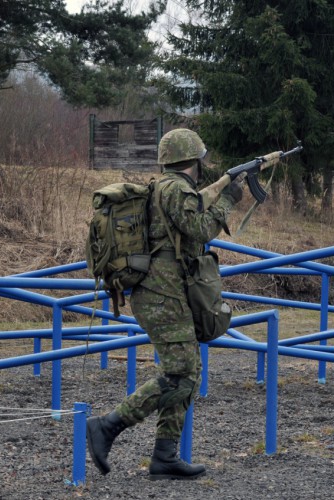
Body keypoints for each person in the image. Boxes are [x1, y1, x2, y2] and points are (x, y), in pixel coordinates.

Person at [86, 128, 243, 480]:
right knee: (180, 373)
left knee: (188, 371)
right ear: (194, 160)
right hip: (161, 294)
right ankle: (108, 426)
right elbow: (200, 228)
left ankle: (164, 456)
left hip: (165, 291)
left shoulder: (167, 187)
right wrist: (231, 198)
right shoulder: (175, 189)